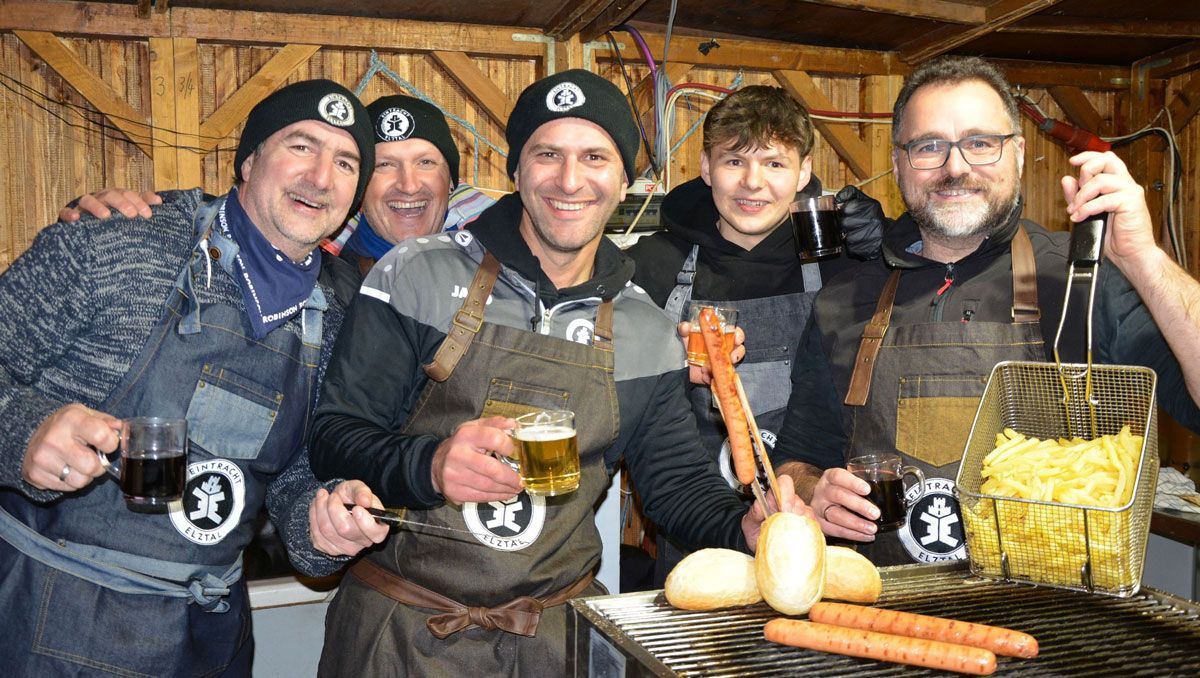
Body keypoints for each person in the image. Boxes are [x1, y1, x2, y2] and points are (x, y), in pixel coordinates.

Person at [307, 69, 812, 676]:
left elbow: (675, 485)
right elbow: (336, 434)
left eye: (595, 157)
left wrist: (744, 529)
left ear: (624, 179)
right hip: (399, 634)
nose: (570, 181)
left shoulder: (646, 330)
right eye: (548, 154)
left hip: (556, 642)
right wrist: (430, 464)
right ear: (517, 170)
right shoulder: (416, 276)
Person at [0, 79, 390, 675]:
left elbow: (289, 476)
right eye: (300, 146)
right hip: (56, 616)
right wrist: (25, 430)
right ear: (249, 160)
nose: (321, 177)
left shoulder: (337, 313)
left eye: (345, 162)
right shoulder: (121, 242)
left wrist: (321, 525)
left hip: (212, 633)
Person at [772, 55, 1200, 567]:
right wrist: (813, 491)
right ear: (900, 161)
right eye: (929, 146)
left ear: (1018, 153)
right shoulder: (842, 299)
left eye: (980, 143)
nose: (956, 167)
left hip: (1055, 622)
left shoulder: (1081, 279)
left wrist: (1145, 261)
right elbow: (796, 458)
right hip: (879, 618)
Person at [623, 85, 883, 584]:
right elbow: (625, 407)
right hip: (697, 538)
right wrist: (673, 368)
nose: (753, 183)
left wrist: (886, 245)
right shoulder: (653, 266)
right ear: (705, 168)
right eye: (734, 161)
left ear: (804, 172)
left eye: (775, 164)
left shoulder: (840, 265)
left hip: (817, 534)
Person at [59, 93, 496, 306]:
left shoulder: (497, 257)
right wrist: (115, 217)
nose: (408, 184)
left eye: (426, 163)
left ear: (451, 182)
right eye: (383, 165)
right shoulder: (327, 276)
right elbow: (246, 214)